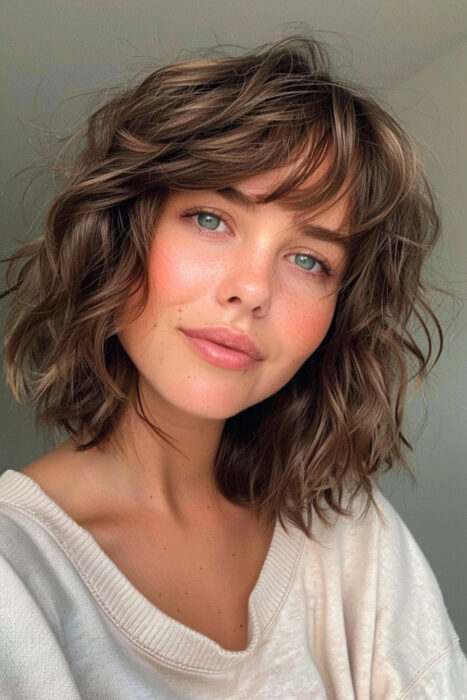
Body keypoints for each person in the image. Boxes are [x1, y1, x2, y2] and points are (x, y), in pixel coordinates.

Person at [0, 34, 465, 699]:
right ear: (123, 235)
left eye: (310, 260)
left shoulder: (349, 535)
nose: (252, 289)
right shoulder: (14, 576)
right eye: (210, 219)